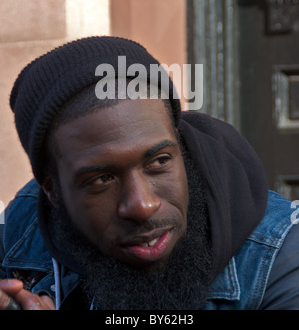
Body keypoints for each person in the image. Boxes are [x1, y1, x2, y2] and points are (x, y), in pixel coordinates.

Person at [1, 36, 299, 311]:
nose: (143, 206)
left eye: (158, 162)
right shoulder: (23, 223)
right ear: (53, 191)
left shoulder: (282, 254)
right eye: (102, 180)